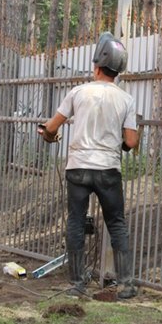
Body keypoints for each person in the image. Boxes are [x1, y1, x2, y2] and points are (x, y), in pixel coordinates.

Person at [38, 32, 139, 299]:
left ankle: (77, 284)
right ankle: (126, 284)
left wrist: (48, 134)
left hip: (78, 168)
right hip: (108, 170)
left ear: (96, 67)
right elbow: (131, 141)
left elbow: (52, 127)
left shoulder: (78, 92)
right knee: (116, 223)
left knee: (76, 222)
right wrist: (120, 144)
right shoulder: (126, 99)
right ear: (117, 71)